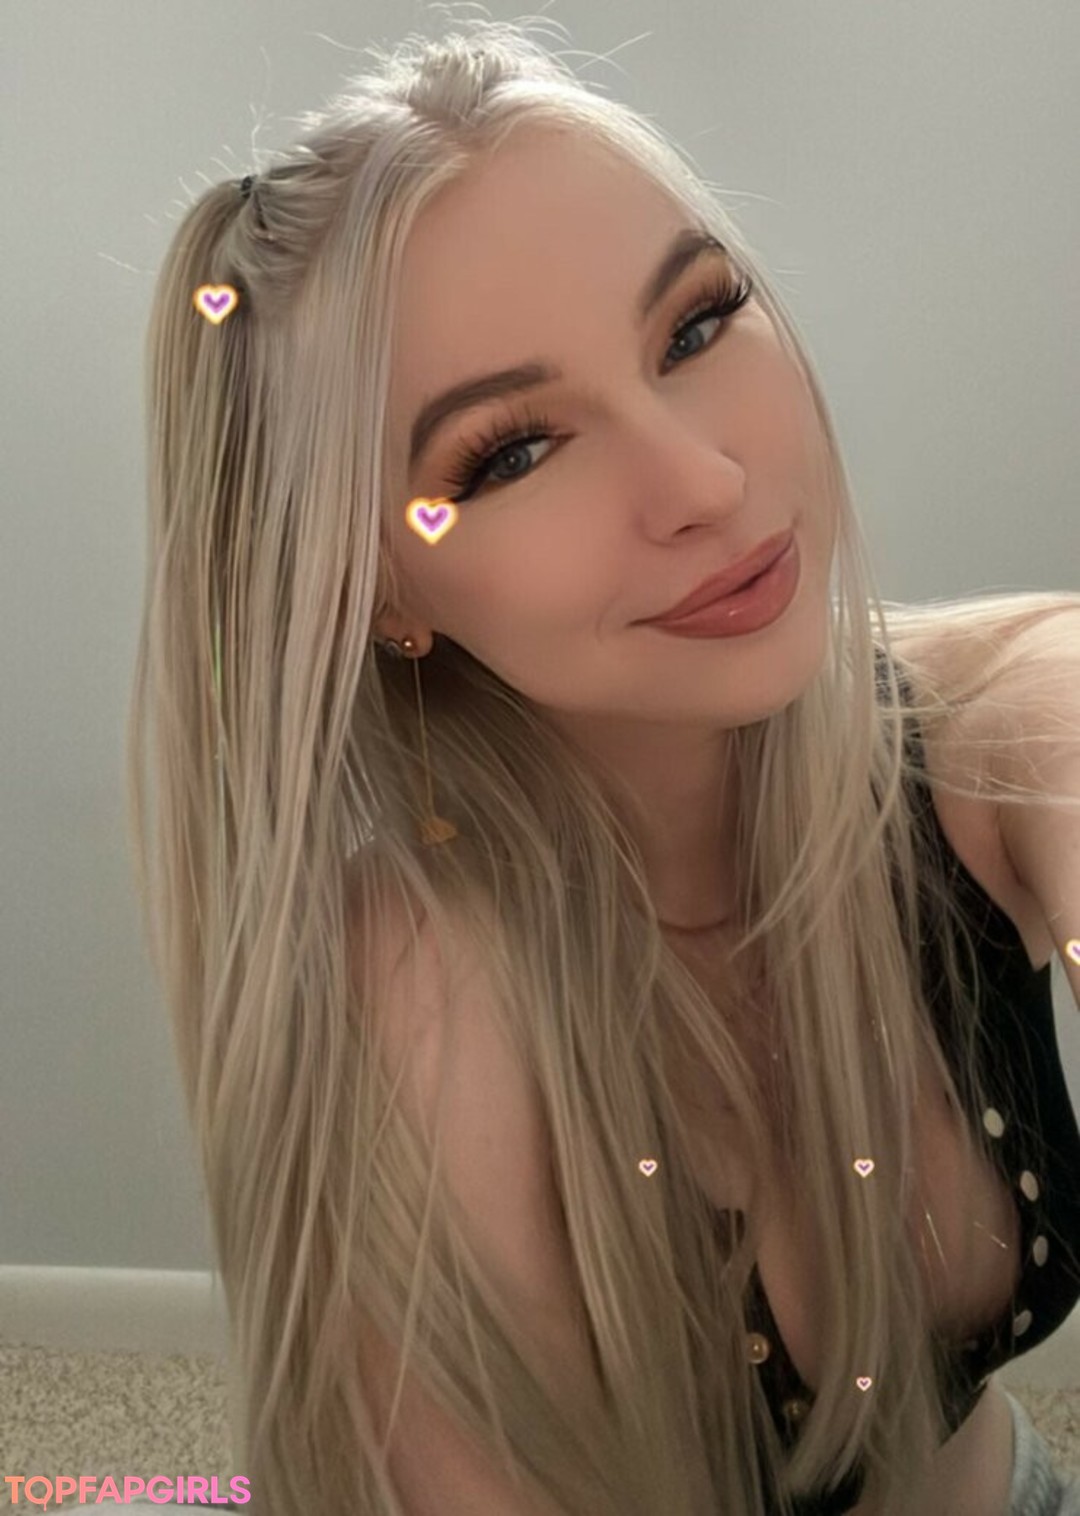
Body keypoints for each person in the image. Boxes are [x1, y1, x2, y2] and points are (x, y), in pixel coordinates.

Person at [128, 17, 1080, 1516]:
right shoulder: (424, 991)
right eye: (509, 454)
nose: (705, 482)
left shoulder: (991, 728)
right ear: (375, 591)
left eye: (696, 326)